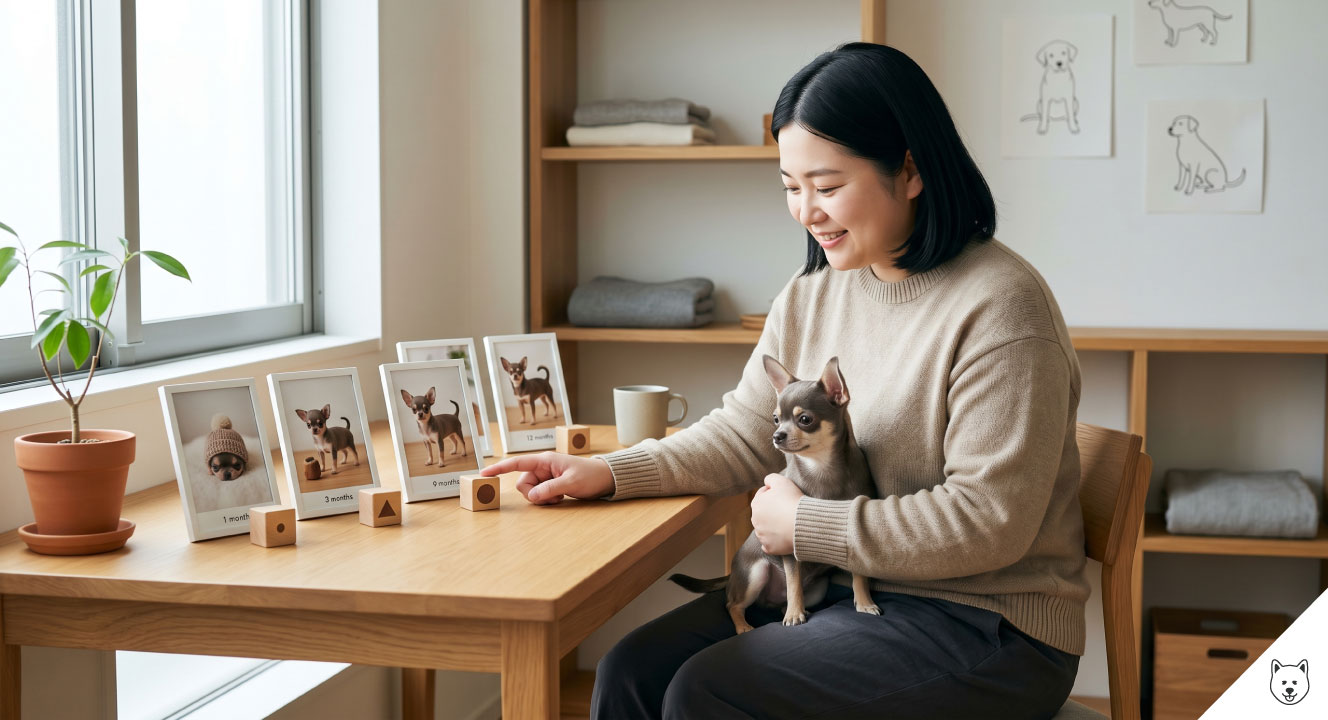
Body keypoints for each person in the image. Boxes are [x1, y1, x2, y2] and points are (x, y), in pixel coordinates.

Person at [481, 42, 1087, 720]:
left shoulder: (1002, 306)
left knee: (706, 690)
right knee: (633, 671)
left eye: (827, 187)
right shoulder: (814, 293)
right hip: (849, 587)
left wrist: (808, 526)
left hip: (985, 624)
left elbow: (990, 523)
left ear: (910, 170)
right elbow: (746, 430)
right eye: (791, 188)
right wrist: (612, 471)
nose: (806, 212)